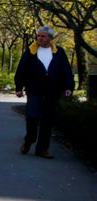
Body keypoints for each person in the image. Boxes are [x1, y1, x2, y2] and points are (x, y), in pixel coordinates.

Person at [14, 25, 74, 159]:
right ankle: (29, 140)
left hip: (53, 91)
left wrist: (69, 87)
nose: (39, 38)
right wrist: (19, 87)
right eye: (38, 36)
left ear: (50, 38)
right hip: (34, 90)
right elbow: (21, 69)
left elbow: (66, 71)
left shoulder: (59, 52)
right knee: (33, 116)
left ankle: (42, 149)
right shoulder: (31, 51)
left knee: (48, 120)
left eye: (43, 36)